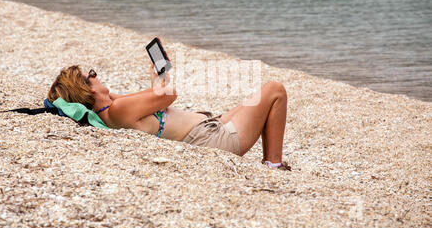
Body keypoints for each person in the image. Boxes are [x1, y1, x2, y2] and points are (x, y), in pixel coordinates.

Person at [47, 63, 290, 170]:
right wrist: (159, 78)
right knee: (274, 89)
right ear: (89, 88)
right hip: (217, 140)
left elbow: (151, 95)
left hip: (210, 127)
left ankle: (271, 160)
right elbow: (168, 95)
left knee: (254, 100)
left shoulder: (112, 107)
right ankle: (274, 165)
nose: (97, 75)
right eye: (92, 74)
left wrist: (157, 79)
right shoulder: (118, 111)